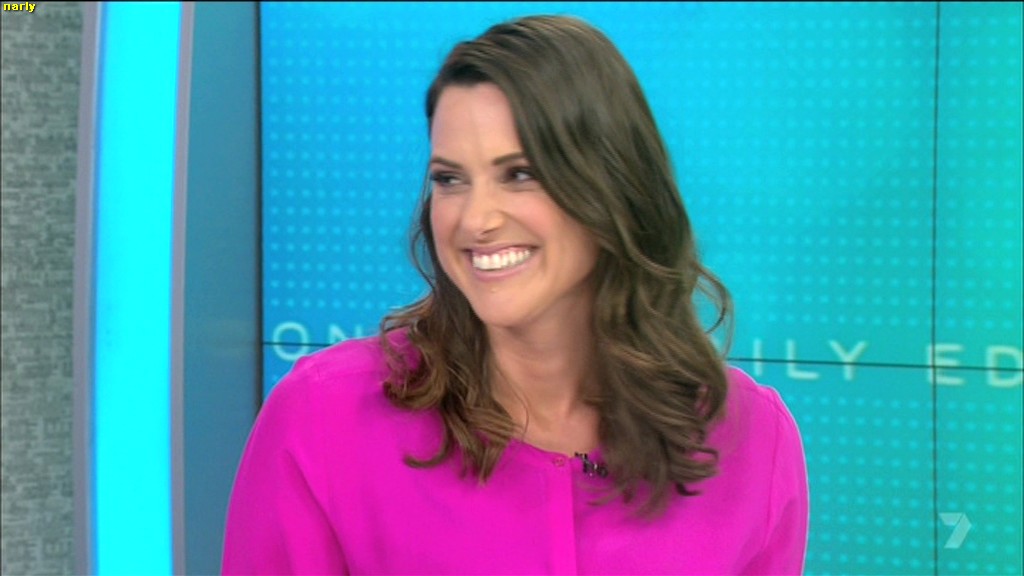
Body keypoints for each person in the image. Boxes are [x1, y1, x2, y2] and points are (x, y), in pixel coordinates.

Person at [223, 14, 808, 575]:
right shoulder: (324, 420)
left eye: (519, 174)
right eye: (450, 179)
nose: (476, 220)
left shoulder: (752, 440)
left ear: (612, 185)